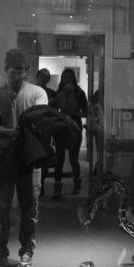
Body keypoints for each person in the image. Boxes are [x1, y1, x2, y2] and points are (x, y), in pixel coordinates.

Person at [0, 49, 48, 267]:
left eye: (21, 71)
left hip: (28, 158)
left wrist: (13, 132)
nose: (18, 76)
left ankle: (26, 251)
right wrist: (13, 133)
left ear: (27, 70)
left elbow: (41, 122)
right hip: (5, 156)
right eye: (13, 72)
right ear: (5, 71)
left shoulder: (38, 92)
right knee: (1, 208)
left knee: (29, 207)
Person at [48, 67, 88, 197]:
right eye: (65, 77)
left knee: (73, 159)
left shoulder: (79, 93)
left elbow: (85, 112)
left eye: (70, 77)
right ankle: (57, 187)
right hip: (61, 128)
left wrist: (73, 113)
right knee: (59, 158)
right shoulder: (59, 92)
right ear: (62, 79)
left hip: (74, 128)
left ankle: (77, 184)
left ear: (74, 79)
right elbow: (50, 107)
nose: (67, 80)